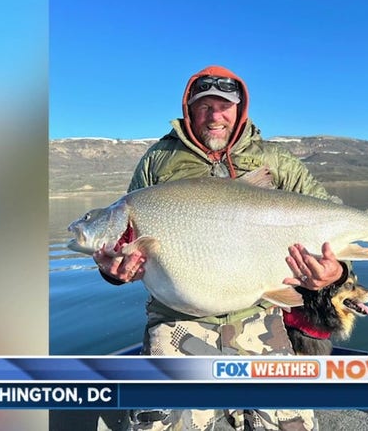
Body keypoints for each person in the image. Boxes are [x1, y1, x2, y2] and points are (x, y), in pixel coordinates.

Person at [94, 65, 347, 431]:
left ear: (240, 108)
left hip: (261, 316)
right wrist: (113, 272)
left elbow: (332, 218)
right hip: (175, 320)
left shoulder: (276, 162)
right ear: (189, 109)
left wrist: (336, 272)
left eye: (224, 105)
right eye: (204, 106)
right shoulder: (156, 161)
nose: (215, 116)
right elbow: (125, 249)